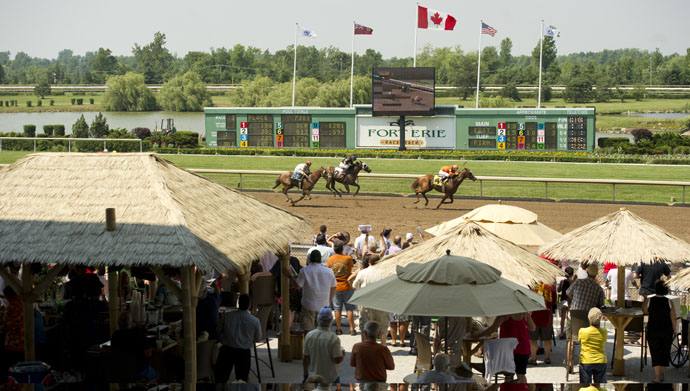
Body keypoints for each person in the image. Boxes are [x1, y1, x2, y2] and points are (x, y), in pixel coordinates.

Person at [566, 263, 605, 374]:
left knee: (570, 339)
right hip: (588, 322)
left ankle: (569, 363)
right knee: (587, 341)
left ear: (587, 272)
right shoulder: (599, 289)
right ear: (596, 275)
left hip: (574, 316)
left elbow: (568, 293)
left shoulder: (578, 282)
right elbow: (600, 306)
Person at [476, 313, 535, 383]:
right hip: (523, 347)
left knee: (508, 376)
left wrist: (479, 335)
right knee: (521, 376)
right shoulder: (524, 313)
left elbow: (493, 328)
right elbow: (533, 328)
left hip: (508, 349)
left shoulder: (504, 314)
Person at [215, 294, 262, 383]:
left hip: (227, 349)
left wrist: (223, 339)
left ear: (238, 303)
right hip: (243, 352)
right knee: (242, 380)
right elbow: (258, 338)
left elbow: (218, 330)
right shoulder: (255, 321)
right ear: (249, 305)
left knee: (220, 378)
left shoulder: (227, 316)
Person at [644, 280, 676, 383]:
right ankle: (661, 375)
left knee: (655, 352)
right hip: (667, 330)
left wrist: (645, 299)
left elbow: (644, 311)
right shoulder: (669, 302)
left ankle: (657, 377)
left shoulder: (649, 300)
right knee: (664, 352)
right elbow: (673, 317)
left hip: (653, 330)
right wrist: (675, 329)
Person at [352, 255, 389, 343]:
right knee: (383, 327)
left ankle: (364, 345)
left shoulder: (363, 272)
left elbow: (354, 285)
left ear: (369, 262)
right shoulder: (385, 273)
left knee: (364, 325)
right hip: (381, 304)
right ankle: (383, 346)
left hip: (366, 304)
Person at [303, 307, 345, 384]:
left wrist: (305, 374)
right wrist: (342, 353)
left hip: (313, 376)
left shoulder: (309, 335)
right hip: (330, 378)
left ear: (318, 320)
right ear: (331, 321)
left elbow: (306, 358)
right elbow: (337, 360)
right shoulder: (334, 338)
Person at [297, 250, 336, 332]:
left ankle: (309, 344)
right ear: (320, 259)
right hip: (324, 305)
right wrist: (329, 300)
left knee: (307, 330)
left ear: (310, 259)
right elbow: (333, 287)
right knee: (323, 330)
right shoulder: (329, 271)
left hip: (308, 304)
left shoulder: (304, 271)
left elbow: (298, 286)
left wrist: (290, 276)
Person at [326, 242, 357, 335]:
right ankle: (352, 329)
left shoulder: (330, 259)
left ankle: (339, 329)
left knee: (337, 309)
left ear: (334, 249)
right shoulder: (348, 258)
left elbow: (329, 271)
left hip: (336, 286)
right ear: (342, 249)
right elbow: (351, 267)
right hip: (347, 285)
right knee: (349, 308)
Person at [578, 308, 607, 387]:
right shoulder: (604, 332)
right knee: (598, 385)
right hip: (601, 361)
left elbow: (579, 341)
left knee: (585, 386)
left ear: (588, 318)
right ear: (600, 319)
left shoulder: (582, 331)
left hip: (586, 361)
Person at [529, 282, 556, 365]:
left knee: (533, 339)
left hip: (534, 316)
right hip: (547, 316)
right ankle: (547, 358)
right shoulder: (550, 287)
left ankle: (533, 358)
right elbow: (554, 302)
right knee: (547, 339)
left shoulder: (532, 286)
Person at [558, 266, 575, 339]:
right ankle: (569, 333)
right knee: (569, 318)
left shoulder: (562, 281)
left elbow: (558, 290)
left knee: (563, 318)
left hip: (563, 300)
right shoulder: (573, 282)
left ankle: (562, 332)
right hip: (571, 301)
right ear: (572, 274)